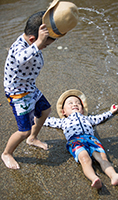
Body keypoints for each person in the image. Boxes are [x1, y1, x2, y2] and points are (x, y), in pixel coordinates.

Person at [1, 0, 78, 170]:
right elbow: (21, 58)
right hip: (18, 93)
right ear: (32, 39)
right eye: (45, 44)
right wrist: (38, 44)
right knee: (23, 130)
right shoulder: (19, 49)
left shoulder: (31, 41)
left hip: (29, 87)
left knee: (45, 110)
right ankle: (7, 153)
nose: (45, 47)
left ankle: (32, 138)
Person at [44, 89, 118, 189]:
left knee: (103, 158)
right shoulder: (63, 121)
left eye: (78, 103)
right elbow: (47, 121)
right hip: (75, 140)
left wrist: (111, 111)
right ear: (63, 112)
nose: (75, 104)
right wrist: (31, 116)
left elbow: (100, 117)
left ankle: (114, 176)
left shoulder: (88, 118)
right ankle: (94, 178)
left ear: (83, 110)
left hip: (92, 140)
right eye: (70, 103)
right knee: (84, 159)